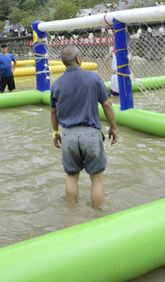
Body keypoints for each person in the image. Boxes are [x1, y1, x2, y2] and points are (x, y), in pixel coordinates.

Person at [50, 45, 118, 208]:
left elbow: (53, 111)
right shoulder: (93, 78)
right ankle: (98, 216)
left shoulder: (57, 84)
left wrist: (55, 132)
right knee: (97, 179)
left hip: (68, 135)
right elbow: (107, 105)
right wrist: (113, 127)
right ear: (79, 59)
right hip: (91, 134)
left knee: (72, 177)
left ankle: (72, 216)